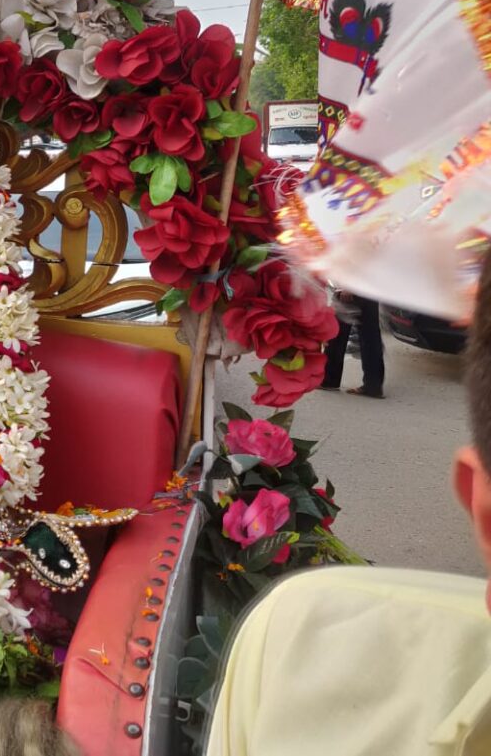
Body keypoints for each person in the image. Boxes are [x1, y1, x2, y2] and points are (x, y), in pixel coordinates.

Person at [205, 255, 491, 754]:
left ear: (481, 510)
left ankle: (355, 381)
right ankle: (346, 380)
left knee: (354, 339)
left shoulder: (298, 632)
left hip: (354, 290)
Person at [320, 289, 385, 398]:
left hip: (354, 286)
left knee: (336, 332)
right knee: (370, 335)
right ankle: (373, 386)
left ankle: (329, 380)